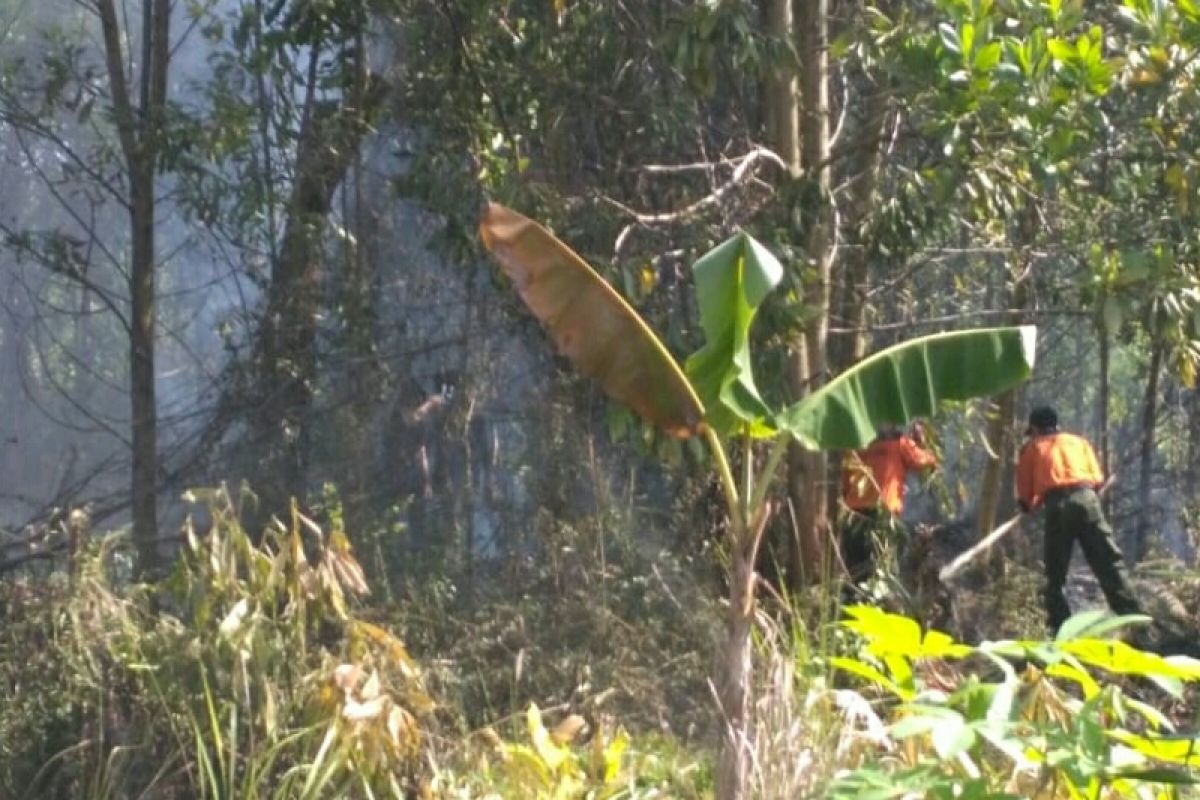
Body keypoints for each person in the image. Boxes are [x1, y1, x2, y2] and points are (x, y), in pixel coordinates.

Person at [1016, 405, 1143, 635]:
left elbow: (1026, 495)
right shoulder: (1079, 442)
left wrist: (1027, 506)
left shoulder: (1031, 448)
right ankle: (1134, 619)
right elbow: (1096, 479)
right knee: (1109, 562)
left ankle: (1062, 630)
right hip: (1088, 499)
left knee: (1055, 574)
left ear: (1034, 428)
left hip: (1058, 505)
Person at [839, 421, 938, 594]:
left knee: (855, 570)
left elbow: (845, 485)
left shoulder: (855, 448)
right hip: (882, 515)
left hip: (854, 515)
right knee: (881, 570)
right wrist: (922, 443)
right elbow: (926, 462)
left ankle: (851, 605)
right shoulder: (900, 444)